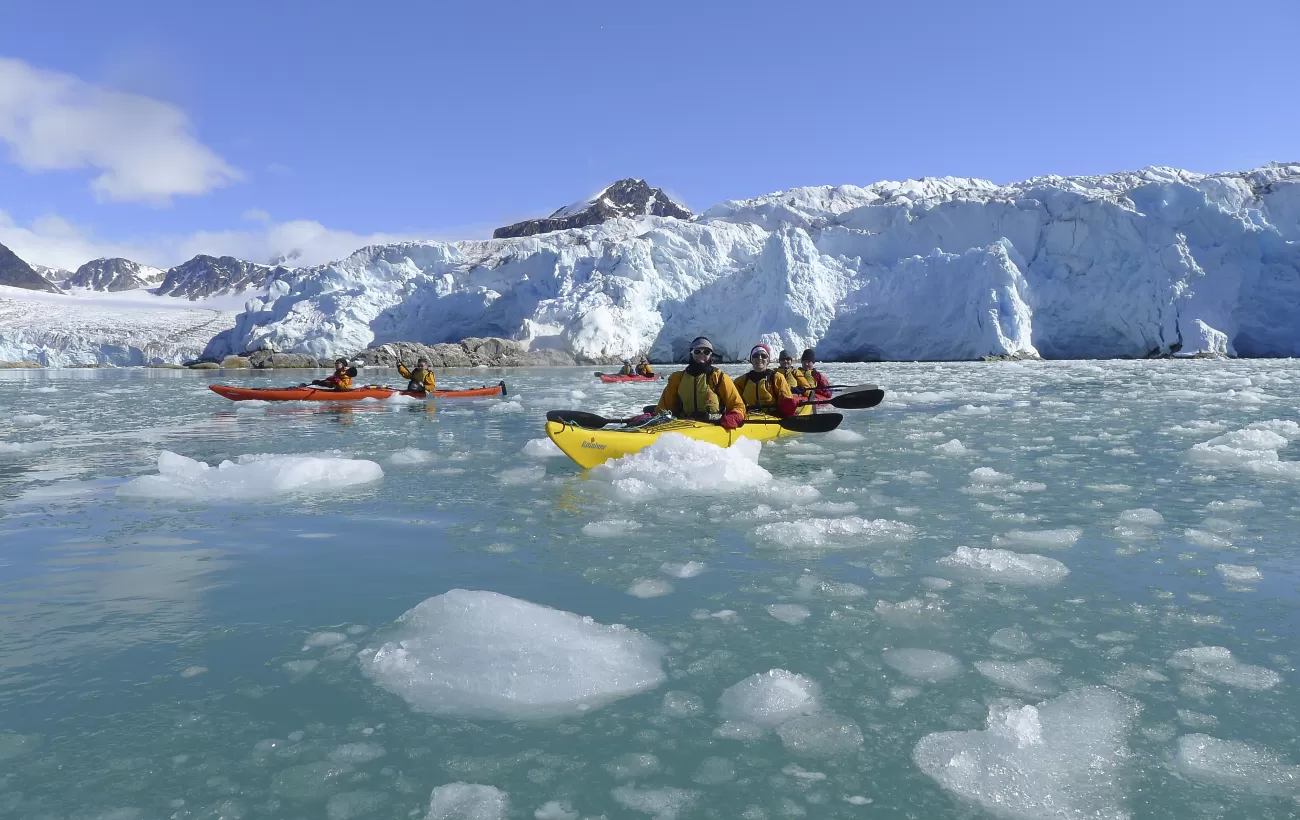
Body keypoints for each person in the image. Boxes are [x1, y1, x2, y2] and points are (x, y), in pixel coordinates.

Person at [653, 336, 745, 429]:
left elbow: (738, 406)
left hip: (713, 426)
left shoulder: (719, 378)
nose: (702, 355)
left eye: (706, 352)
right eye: (697, 352)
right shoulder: (677, 379)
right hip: (683, 427)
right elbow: (663, 408)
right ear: (691, 354)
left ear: (711, 355)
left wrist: (734, 417)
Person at [733, 344, 799, 417]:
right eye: (756, 355)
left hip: (773, 419)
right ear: (751, 359)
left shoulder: (777, 378)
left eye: (763, 356)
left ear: (768, 360)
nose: (759, 358)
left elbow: (787, 402)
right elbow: (733, 403)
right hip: (748, 419)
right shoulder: (741, 381)